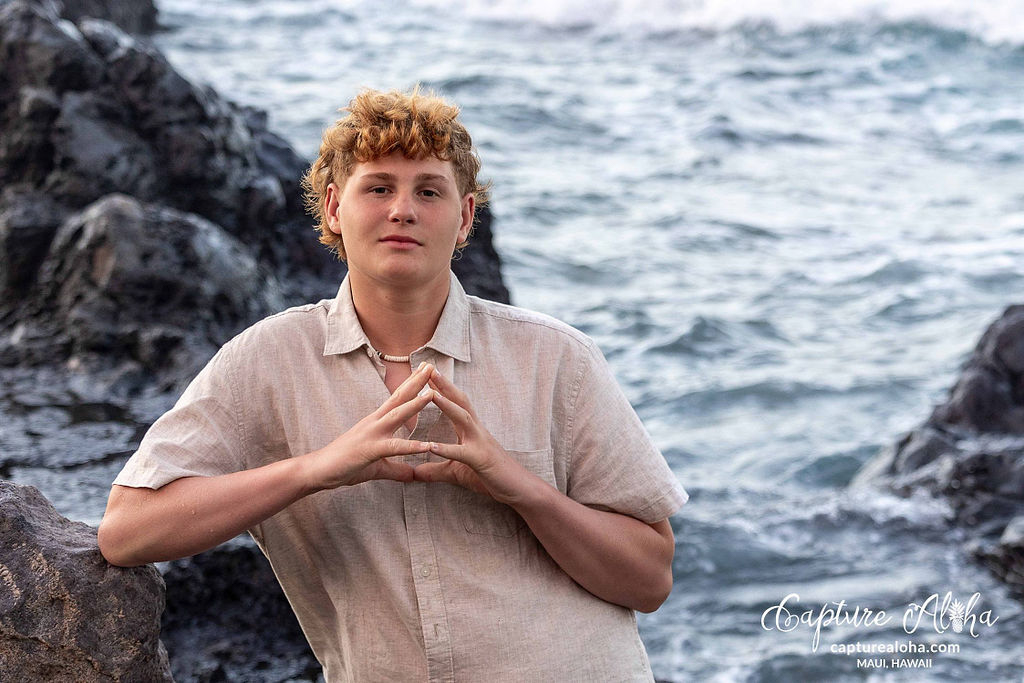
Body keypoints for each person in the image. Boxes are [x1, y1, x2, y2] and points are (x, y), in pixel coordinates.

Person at [98, 87, 688, 682]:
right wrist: (318, 468)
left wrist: (516, 486)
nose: (402, 209)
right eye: (378, 187)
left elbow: (649, 579)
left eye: (428, 191)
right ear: (333, 208)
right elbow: (127, 532)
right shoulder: (267, 362)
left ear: (465, 218)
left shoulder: (558, 358)